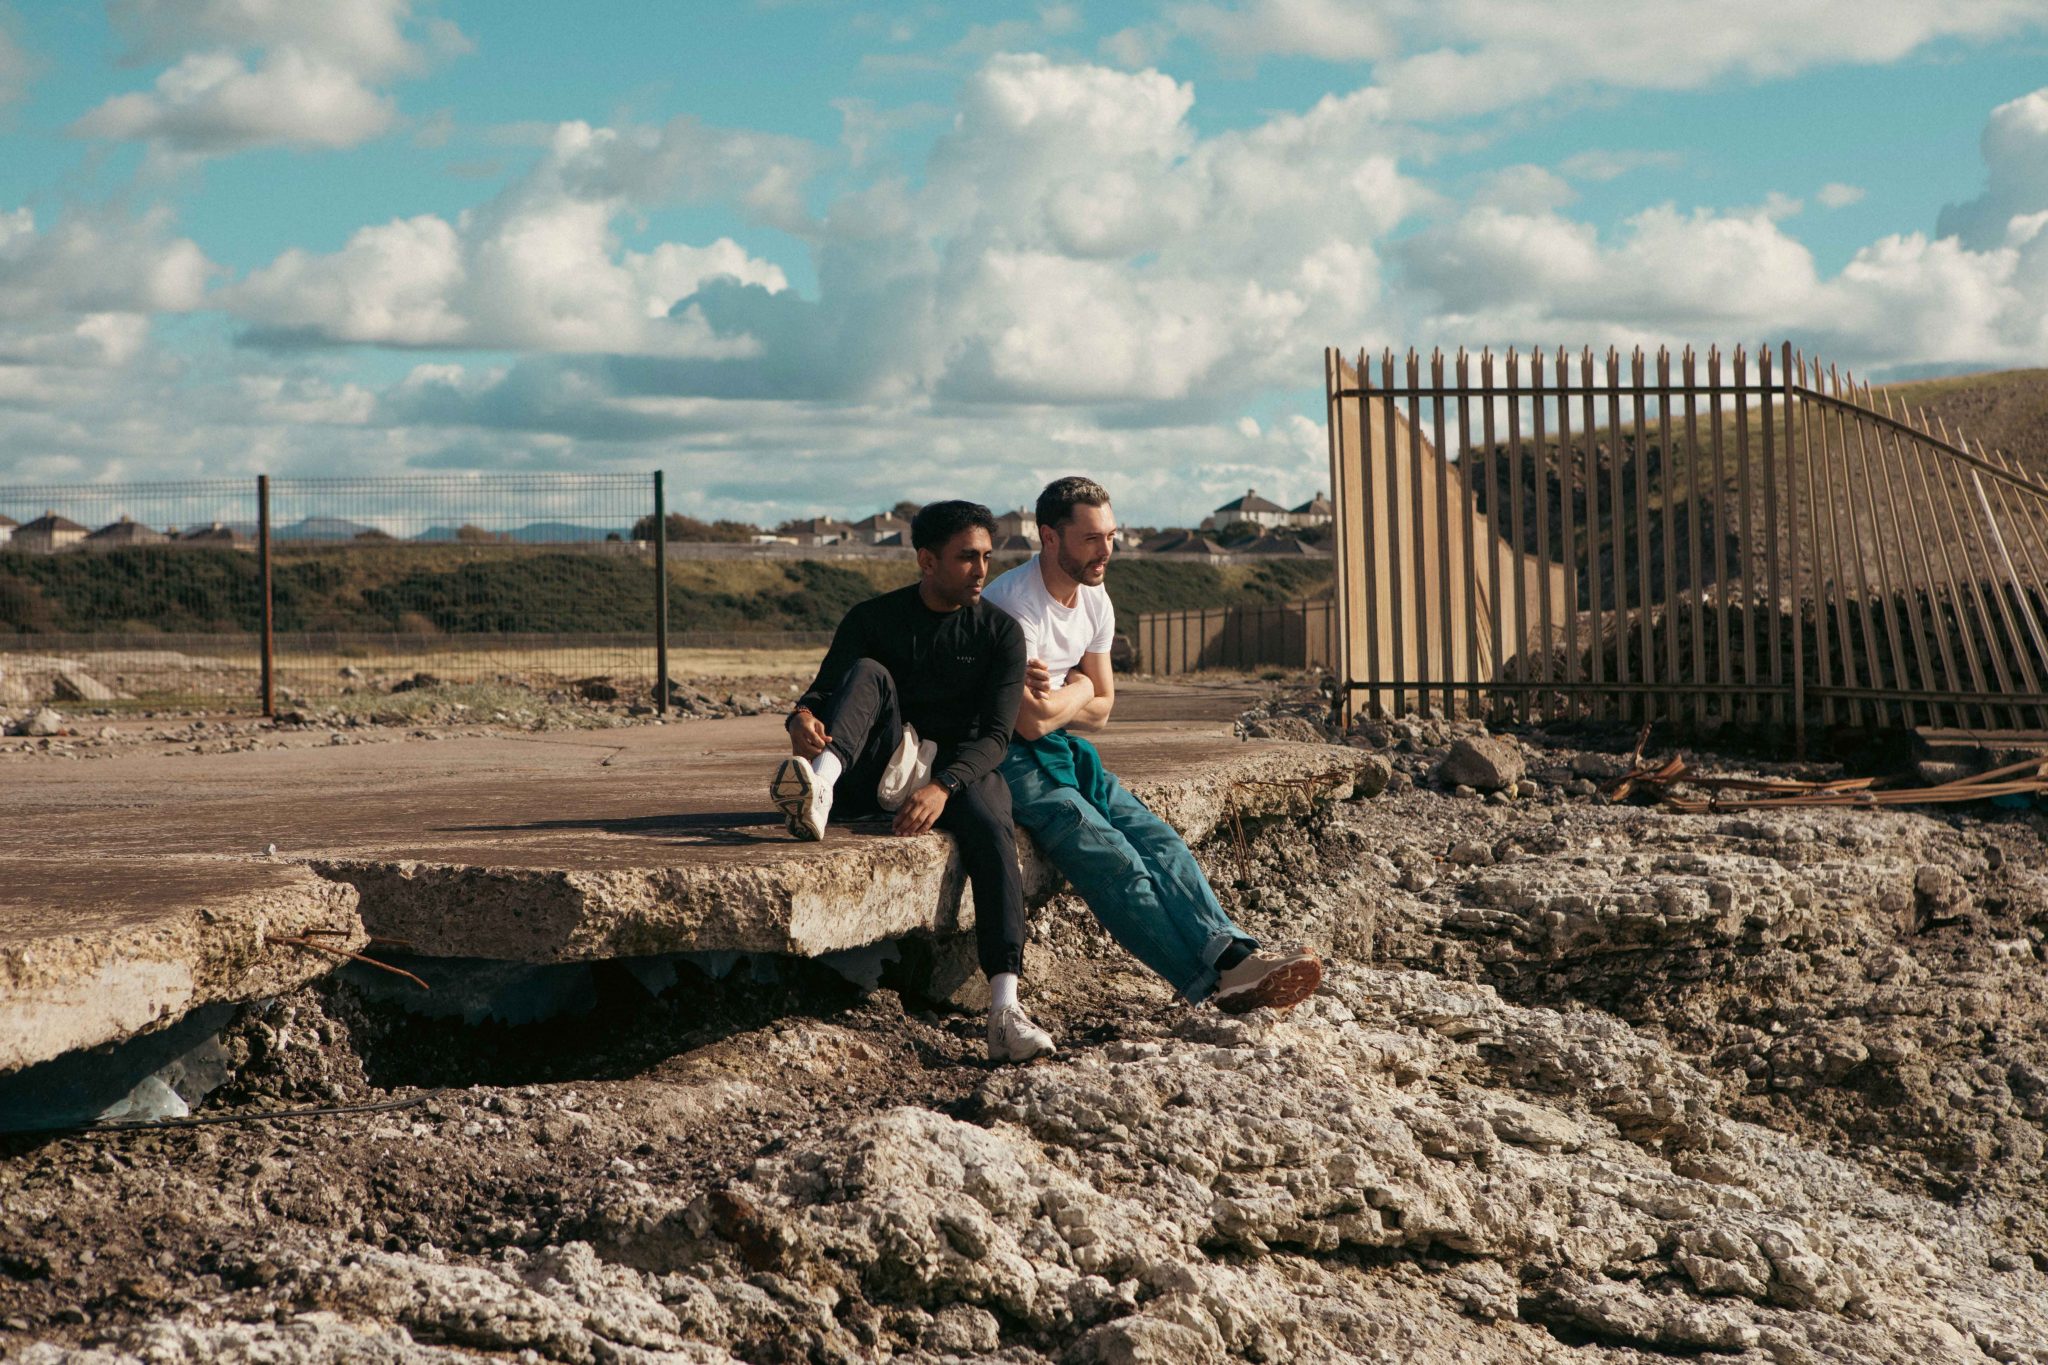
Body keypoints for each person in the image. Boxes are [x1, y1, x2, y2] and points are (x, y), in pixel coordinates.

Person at [980, 477, 1324, 1014]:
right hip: (1006, 754)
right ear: (1050, 538)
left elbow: (1101, 711)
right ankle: (1207, 985)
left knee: (1157, 838)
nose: (1107, 550)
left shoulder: (1095, 600)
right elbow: (1028, 722)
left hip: (1065, 747)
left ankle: (1233, 957)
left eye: (1111, 535)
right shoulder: (1011, 604)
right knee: (1112, 856)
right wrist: (1085, 687)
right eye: (1092, 538)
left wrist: (1076, 689)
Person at [771, 499, 1056, 1063]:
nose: (981, 570)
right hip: (872, 767)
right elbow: (822, 694)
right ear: (927, 560)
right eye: (966, 557)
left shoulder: (1001, 633)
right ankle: (819, 790)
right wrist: (800, 720)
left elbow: (997, 737)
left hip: (957, 770)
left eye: (986, 557)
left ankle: (1004, 1009)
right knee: (870, 673)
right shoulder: (872, 618)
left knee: (993, 825)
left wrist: (944, 785)